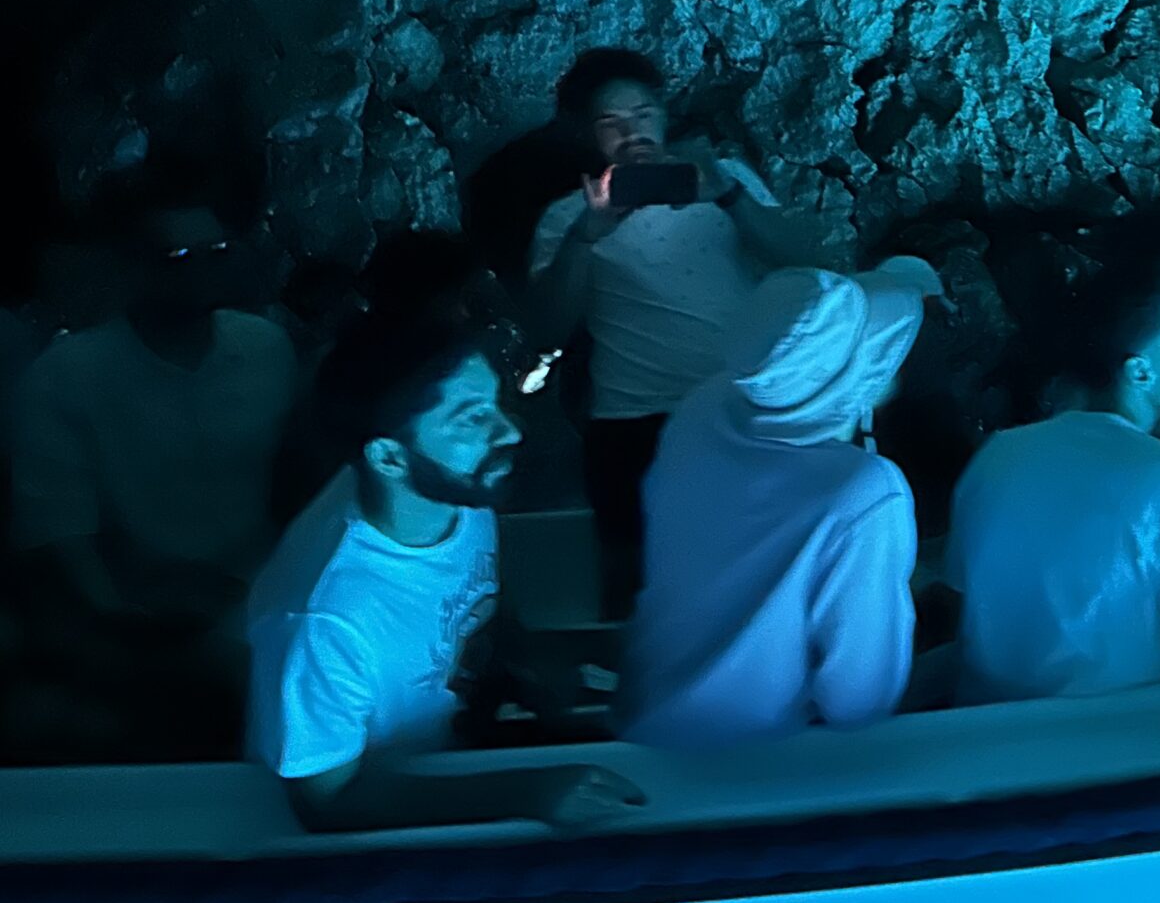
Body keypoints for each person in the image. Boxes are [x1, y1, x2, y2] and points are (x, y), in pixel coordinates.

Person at [244, 299, 644, 831]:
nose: (511, 431)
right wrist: (525, 789)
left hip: (452, 741)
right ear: (388, 457)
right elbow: (324, 800)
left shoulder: (449, 490)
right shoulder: (322, 622)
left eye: (495, 403)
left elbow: (469, 598)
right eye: (472, 418)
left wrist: (536, 657)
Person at [7, 174, 297, 759]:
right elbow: (59, 525)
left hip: (256, 593)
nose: (202, 270)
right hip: (126, 609)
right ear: (135, 267)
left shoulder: (265, 349)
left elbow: (299, 480)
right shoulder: (69, 376)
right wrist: (117, 612)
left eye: (215, 253)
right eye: (180, 257)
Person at [528, 48, 821, 617]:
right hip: (635, 425)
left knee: (756, 581)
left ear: (664, 114)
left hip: (740, 406)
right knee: (640, 594)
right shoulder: (568, 217)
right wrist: (587, 237)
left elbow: (808, 264)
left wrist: (729, 197)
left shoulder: (725, 179)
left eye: (642, 113)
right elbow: (548, 329)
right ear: (589, 135)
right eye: (610, 122)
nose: (631, 131)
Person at [621, 261, 941, 746]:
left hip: (644, 728)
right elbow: (860, 700)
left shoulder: (697, 415)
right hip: (758, 769)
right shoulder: (864, 492)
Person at [946, 265, 1160, 701]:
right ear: (1140, 372)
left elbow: (965, 600)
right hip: (1113, 740)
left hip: (984, 732)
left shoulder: (998, 453)